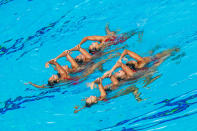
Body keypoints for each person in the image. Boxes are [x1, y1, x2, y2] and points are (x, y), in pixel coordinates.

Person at [83, 47, 179, 107]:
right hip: (134, 78)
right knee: (154, 64)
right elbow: (109, 83)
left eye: (89, 97)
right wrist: (99, 82)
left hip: (131, 79)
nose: (91, 96)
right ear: (95, 102)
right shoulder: (103, 96)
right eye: (91, 99)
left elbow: (111, 82)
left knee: (153, 63)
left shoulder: (105, 93)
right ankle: (170, 53)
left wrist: (99, 80)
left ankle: (167, 54)